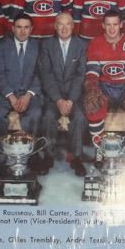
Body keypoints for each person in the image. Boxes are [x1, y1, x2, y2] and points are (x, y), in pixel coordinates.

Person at [83, 10, 125, 159]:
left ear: (121, 25)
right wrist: (92, 89)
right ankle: (99, 147)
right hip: (104, 87)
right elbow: (92, 73)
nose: (112, 28)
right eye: (108, 25)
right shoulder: (95, 43)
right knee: (93, 106)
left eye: (115, 24)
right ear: (103, 25)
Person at [0, 14, 45, 171]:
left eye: (26, 27)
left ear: (31, 29)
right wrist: (11, 97)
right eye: (19, 27)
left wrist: (28, 95)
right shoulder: (2, 46)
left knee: (35, 114)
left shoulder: (38, 46)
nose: (22, 31)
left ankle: (32, 156)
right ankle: (0, 158)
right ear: (13, 28)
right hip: (7, 95)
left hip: (30, 95)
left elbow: (41, 74)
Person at [37, 12, 90, 175]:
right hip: (54, 97)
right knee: (47, 117)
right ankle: (48, 156)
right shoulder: (47, 45)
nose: (64, 28)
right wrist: (58, 100)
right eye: (60, 24)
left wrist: (71, 100)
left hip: (74, 97)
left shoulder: (81, 45)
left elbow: (81, 75)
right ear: (55, 26)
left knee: (79, 118)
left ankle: (76, 158)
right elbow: (46, 74)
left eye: (68, 24)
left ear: (73, 26)